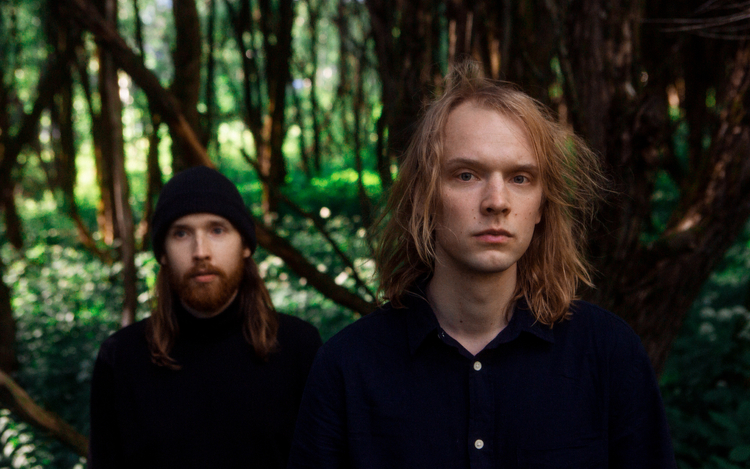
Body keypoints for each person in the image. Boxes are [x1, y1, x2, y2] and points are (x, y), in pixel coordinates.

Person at [288, 64, 677, 468]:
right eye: (467, 175)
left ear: (541, 206)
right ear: (425, 196)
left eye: (520, 178)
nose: (497, 202)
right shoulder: (347, 367)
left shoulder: (609, 354)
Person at [89, 166, 322, 469]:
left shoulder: (299, 347)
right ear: (162, 252)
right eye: (181, 233)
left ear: (245, 245)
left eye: (217, 230)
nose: (201, 251)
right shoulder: (121, 358)